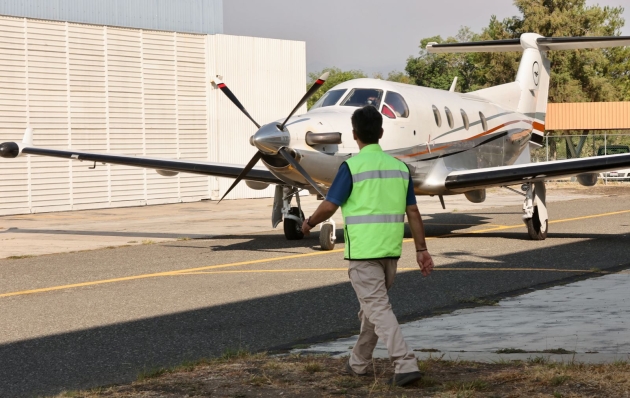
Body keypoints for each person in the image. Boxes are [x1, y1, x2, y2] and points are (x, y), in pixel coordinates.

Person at [301, 105, 434, 387]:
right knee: (372, 311)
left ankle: (405, 362)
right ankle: (358, 364)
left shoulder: (351, 167)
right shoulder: (400, 168)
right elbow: (413, 212)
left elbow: (329, 205)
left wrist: (309, 223)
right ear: (381, 133)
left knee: (378, 310)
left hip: (363, 253)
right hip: (390, 254)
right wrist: (421, 250)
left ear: (354, 134)